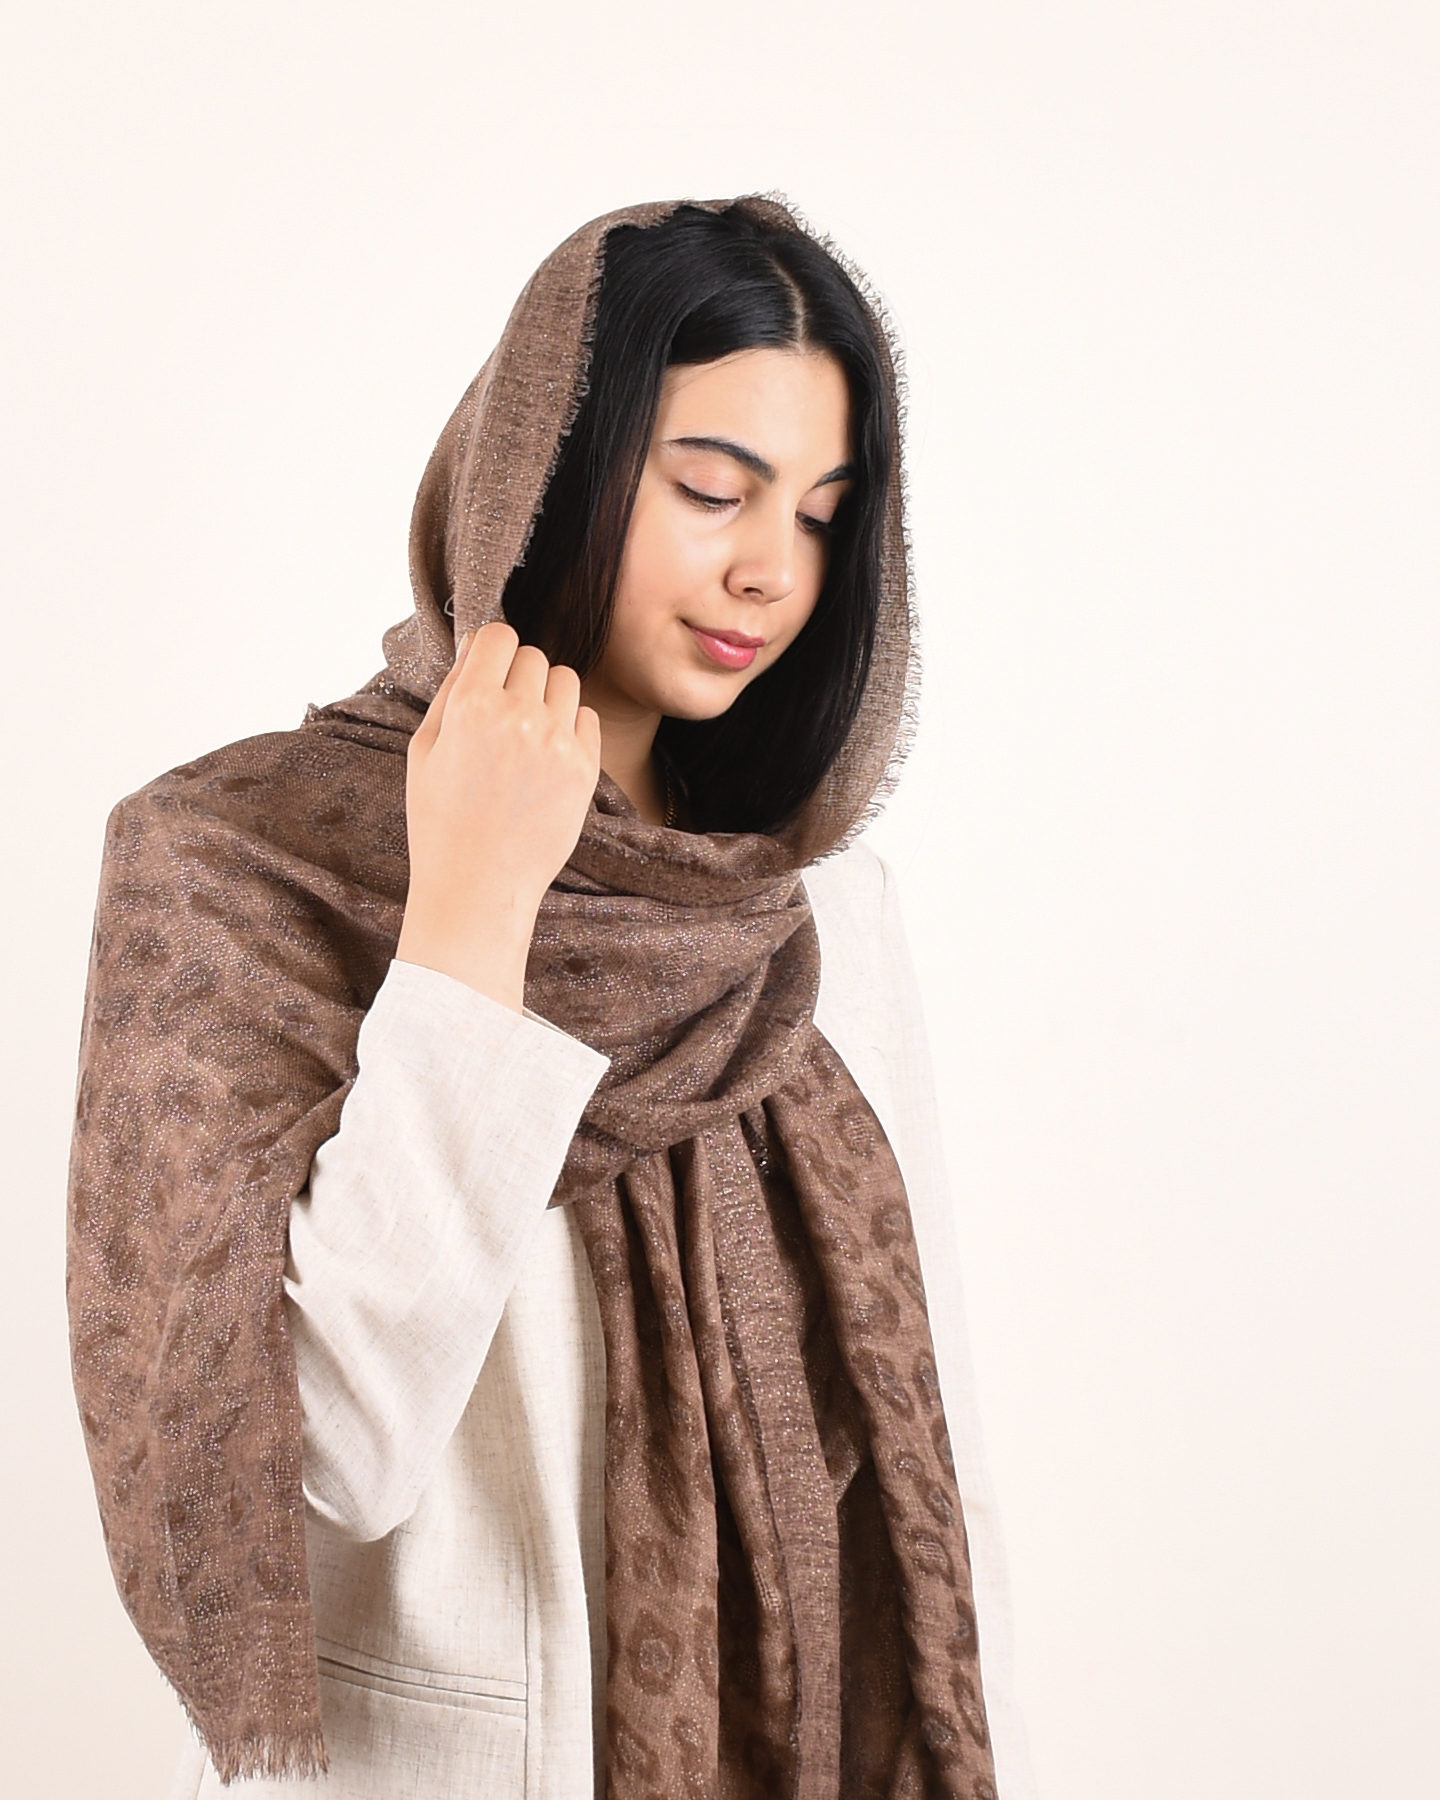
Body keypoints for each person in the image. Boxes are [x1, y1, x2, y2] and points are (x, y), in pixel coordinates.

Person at [68, 196, 1034, 1800]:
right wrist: (469, 914)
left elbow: (937, 1458)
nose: (768, 569)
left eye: (820, 515)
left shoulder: (814, 907)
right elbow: (319, 1454)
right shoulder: (230, 865)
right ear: (551, 468)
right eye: (712, 489)